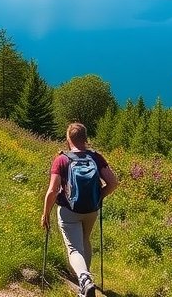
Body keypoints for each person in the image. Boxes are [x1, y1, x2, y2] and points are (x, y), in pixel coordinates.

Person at [40, 123, 118, 297]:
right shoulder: (96, 157)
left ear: (68, 139)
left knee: (74, 248)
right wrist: (99, 197)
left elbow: (53, 190)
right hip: (91, 209)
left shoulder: (62, 159)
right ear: (85, 138)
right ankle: (86, 283)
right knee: (84, 240)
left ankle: (84, 279)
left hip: (69, 211)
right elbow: (113, 183)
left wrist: (45, 213)